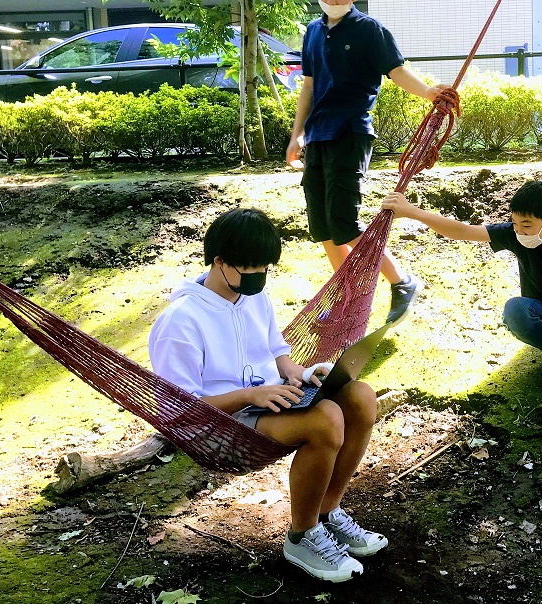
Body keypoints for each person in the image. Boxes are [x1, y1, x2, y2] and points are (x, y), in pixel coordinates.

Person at [149, 208, 387, 583]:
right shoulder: (181, 321)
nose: (259, 277)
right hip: (222, 422)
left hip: (267, 400)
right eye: (251, 269)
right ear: (219, 261)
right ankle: (302, 536)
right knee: (327, 419)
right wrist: (249, 394)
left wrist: (302, 373)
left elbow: (278, 352)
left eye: (265, 268)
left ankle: (329, 512)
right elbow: (178, 410)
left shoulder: (254, 298)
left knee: (360, 396)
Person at [383, 180, 542, 442]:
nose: (519, 232)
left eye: (526, 225)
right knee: (514, 311)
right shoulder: (514, 234)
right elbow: (462, 231)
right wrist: (412, 211)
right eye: (515, 224)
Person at [287, 0, 441, 325]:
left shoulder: (370, 31)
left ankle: (401, 281)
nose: (330, 1)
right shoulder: (312, 31)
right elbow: (307, 86)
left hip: (351, 133)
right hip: (318, 139)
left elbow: (396, 71)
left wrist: (429, 93)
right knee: (322, 226)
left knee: (344, 224)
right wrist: (296, 135)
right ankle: (345, 296)